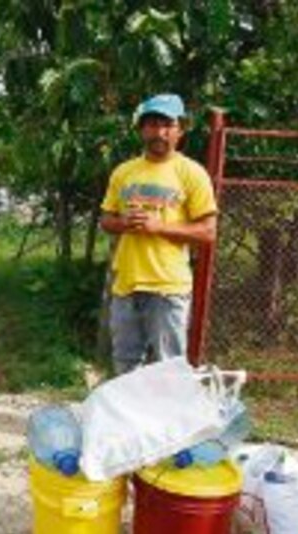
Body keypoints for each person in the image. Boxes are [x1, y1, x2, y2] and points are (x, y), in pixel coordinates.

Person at [99, 93, 219, 375]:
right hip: (126, 285)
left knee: (168, 367)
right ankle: (132, 420)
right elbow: (106, 220)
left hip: (167, 287)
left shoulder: (192, 173)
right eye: (151, 125)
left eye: (167, 125)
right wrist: (122, 222)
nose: (159, 132)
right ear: (141, 129)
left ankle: (169, 421)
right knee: (126, 366)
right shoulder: (123, 172)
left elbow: (208, 232)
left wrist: (159, 226)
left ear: (180, 129)